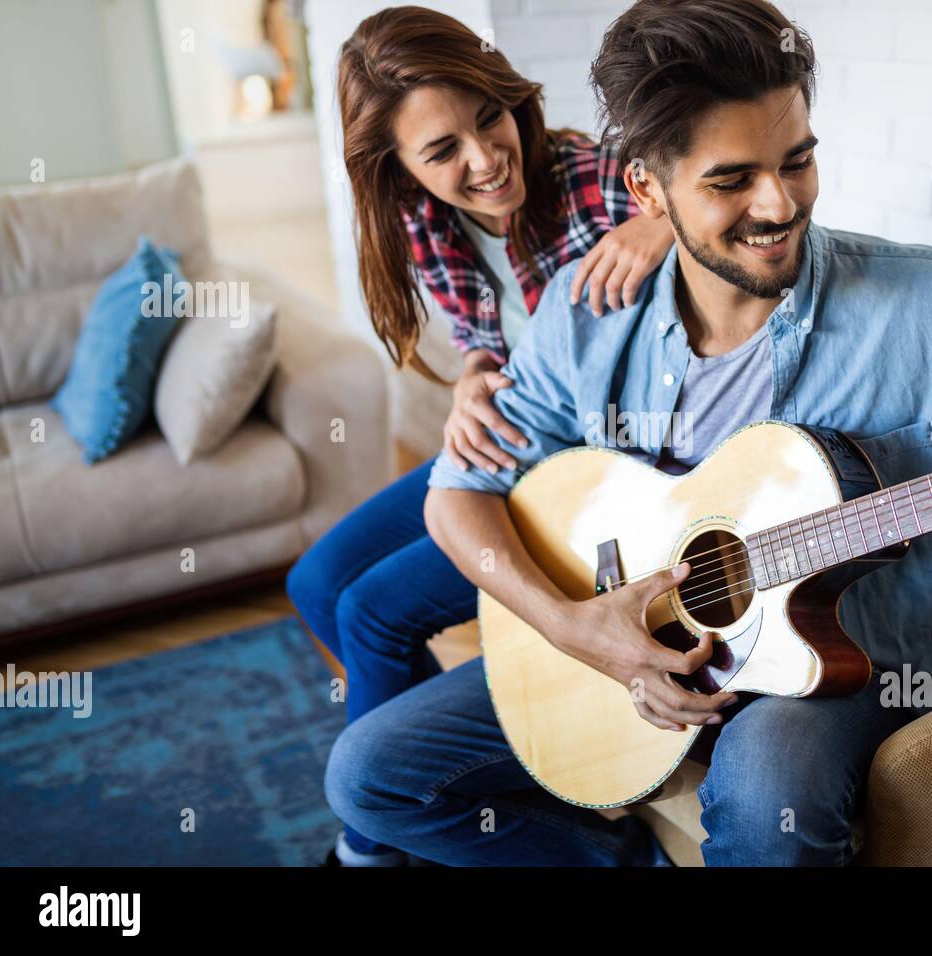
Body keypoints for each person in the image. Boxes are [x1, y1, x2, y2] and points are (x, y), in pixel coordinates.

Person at [324, 0, 932, 866]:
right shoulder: (586, 312)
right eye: (730, 180)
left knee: (766, 793)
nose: (780, 205)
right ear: (646, 187)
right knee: (368, 776)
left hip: (830, 661)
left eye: (797, 160)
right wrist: (577, 630)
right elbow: (457, 494)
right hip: (619, 641)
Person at [286, 6, 673, 867]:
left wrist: (663, 223)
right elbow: (488, 345)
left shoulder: (600, 180)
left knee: (371, 613)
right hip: (509, 449)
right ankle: (479, 785)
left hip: (584, 477)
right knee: (316, 582)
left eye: (488, 118)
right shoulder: (423, 223)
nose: (486, 159)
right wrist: (469, 380)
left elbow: (718, 203)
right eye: (442, 151)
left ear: (509, 99)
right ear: (398, 169)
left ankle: (371, 849)